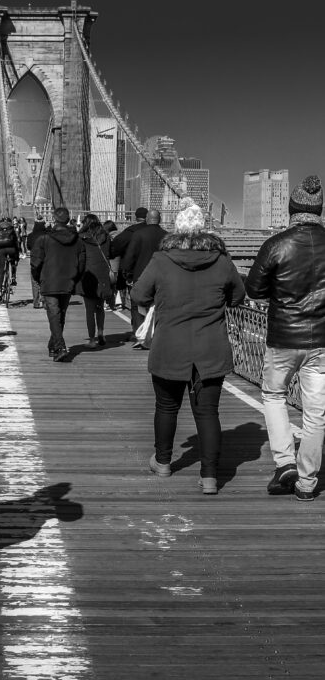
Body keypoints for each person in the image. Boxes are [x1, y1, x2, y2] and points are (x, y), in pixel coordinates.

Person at [131, 197, 245, 494]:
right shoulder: (222, 261)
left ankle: (163, 462)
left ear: (176, 229)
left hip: (170, 346)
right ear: (203, 229)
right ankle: (209, 477)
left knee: (166, 407)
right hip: (211, 348)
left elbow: (138, 295)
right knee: (207, 412)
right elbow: (238, 297)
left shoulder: (162, 260)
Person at [245, 175, 325, 501]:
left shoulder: (276, 244)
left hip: (283, 339)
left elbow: (253, 289)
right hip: (321, 342)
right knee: (316, 413)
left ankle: (284, 464)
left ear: (291, 209)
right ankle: (307, 483)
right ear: (319, 210)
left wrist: (277, 294)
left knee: (274, 396)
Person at [30, 206, 86, 361]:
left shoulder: (44, 239)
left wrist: (39, 278)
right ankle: (53, 345)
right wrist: (74, 278)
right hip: (68, 281)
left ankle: (60, 347)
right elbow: (82, 264)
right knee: (60, 314)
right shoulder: (78, 241)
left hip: (49, 281)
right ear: (68, 220)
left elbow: (35, 263)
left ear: (54, 219)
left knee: (55, 314)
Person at [122, 209, 167, 343]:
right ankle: (156, 334)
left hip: (140, 275)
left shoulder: (139, 234)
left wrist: (127, 274)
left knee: (137, 305)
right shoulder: (167, 236)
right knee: (158, 305)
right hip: (161, 276)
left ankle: (139, 335)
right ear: (160, 219)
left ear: (147, 219)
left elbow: (130, 255)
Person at [77, 214, 112, 346]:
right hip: (103, 275)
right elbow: (110, 254)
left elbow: (80, 258)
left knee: (89, 310)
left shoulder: (82, 238)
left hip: (89, 275)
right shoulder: (106, 237)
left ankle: (92, 339)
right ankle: (101, 333)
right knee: (100, 307)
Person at [0, 216, 19, 302]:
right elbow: (16, 242)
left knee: (1, 271)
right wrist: (17, 256)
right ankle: (13, 277)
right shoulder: (12, 230)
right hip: (12, 249)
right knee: (13, 262)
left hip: (2, 251)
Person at [26, 219, 48, 308]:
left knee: (35, 280)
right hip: (46, 261)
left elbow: (28, 247)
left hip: (34, 261)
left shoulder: (30, 236)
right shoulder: (47, 235)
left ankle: (36, 302)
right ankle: (45, 301)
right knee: (45, 281)